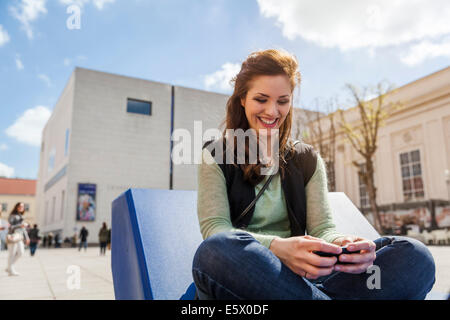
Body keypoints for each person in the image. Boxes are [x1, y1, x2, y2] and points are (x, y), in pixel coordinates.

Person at [192, 49, 436, 300]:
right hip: (246, 277)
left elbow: (323, 228)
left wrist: (343, 243)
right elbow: (215, 228)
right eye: (261, 99)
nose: (272, 111)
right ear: (242, 99)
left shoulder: (306, 158)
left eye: (282, 101)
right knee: (215, 251)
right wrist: (278, 248)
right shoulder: (216, 154)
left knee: (414, 255)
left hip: (309, 279)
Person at [5, 202, 30, 276]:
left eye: (22, 206)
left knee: (21, 252)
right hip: (12, 236)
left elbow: (24, 229)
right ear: (16, 207)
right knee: (12, 254)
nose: (21, 208)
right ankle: (11, 271)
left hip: (19, 237)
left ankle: (9, 267)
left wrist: (27, 238)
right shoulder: (12, 216)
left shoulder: (21, 216)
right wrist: (20, 225)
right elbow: (10, 227)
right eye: (20, 206)